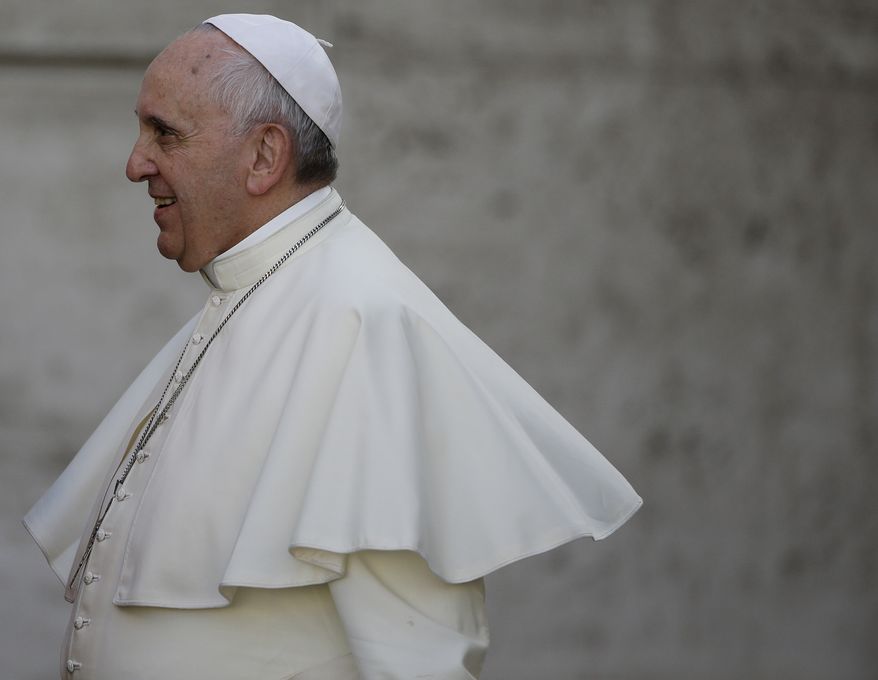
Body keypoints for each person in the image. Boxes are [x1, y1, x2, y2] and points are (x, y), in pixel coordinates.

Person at [24, 13, 642, 680]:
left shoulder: (365, 326)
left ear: (264, 156)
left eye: (164, 133)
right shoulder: (251, 296)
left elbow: (419, 660)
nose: (134, 164)